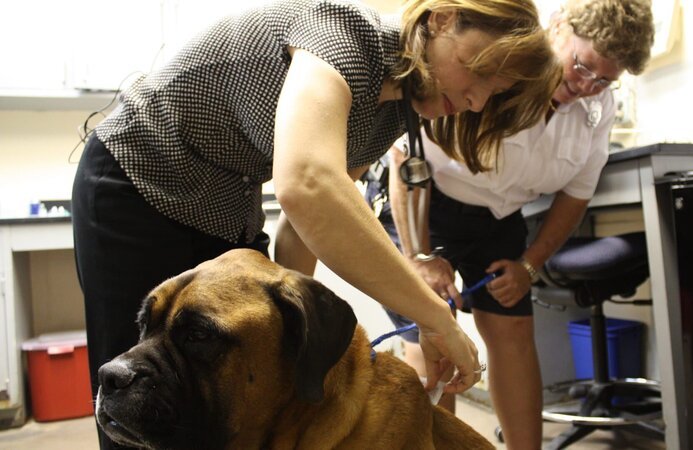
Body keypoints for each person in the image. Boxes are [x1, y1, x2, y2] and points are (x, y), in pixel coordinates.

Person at [70, 0, 562, 448]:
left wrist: (291, 321)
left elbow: (306, 225)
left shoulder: (393, 112)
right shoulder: (344, 35)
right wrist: (433, 319)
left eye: (494, 94)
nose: (476, 102)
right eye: (481, 72)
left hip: (220, 203)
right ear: (443, 19)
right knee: (141, 404)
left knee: (215, 408)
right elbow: (307, 186)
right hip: (139, 176)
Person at [368, 0, 655, 448]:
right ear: (558, 27)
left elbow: (575, 195)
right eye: (583, 66)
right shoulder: (500, 62)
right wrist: (420, 256)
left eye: (604, 80)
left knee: (514, 331)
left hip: (498, 216)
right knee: (433, 329)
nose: (587, 85)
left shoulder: (597, 107)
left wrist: (530, 265)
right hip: (426, 199)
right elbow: (408, 157)